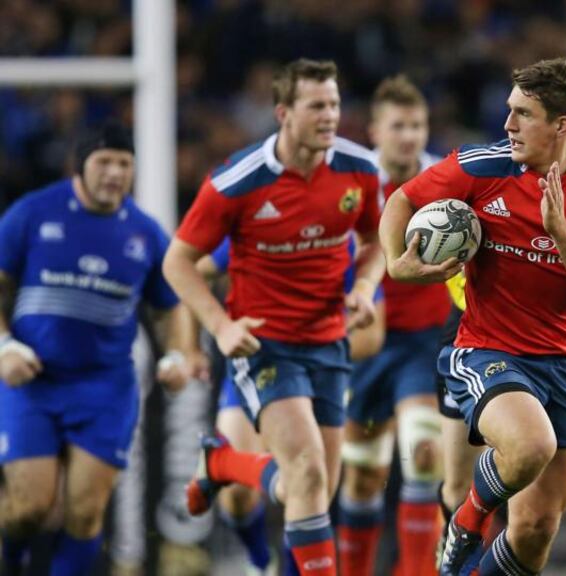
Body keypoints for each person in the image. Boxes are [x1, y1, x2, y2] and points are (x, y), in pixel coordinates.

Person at [380, 57, 566, 576]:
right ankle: (465, 522)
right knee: (527, 447)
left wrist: (561, 231)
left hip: (561, 362)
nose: (508, 125)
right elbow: (403, 201)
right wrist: (398, 264)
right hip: (484, 347)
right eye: (509, 111)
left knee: (535, 530)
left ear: (561, 126)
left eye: (522, 114)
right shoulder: (481, 166)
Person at [162, 58, 384, 576]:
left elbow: (375, 241)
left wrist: (367, 288)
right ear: (284, 112)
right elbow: (177, 262)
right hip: (264, 346)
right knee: (304, 470)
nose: (330, 116)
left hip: (330, 341)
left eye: (334, 104)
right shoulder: (238, 182)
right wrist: (219, 327)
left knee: (313, 491)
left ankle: (222, 462)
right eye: (317, 106)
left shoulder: (359, 169)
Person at [0, 123, 194, 575]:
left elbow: (171, 306)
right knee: (29, 506)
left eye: (124, 164)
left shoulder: (144, 233)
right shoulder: (33, 214)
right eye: (104, 162)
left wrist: (178, 355)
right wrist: (5, 344)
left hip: (104, 388)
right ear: (79, 166)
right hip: (34, 382)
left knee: (85, 514)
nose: (114, 173)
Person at [195, 234, 385, 576]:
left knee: (310, 493)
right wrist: (211, 332)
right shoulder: (255, 210)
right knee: (243, 497)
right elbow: (187, 269)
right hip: (257, 363)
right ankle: (259, 560)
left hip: (318, 375)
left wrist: (322, 340)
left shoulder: (343, 231)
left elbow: (371, 336)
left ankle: (222, 462)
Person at [337, 75, 448, 576]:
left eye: (417, 125)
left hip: (426, 343)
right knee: (363, 476)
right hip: (364, 344)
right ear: (375, 132)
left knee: (425, 454)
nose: (409, 135)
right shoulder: (352, 186)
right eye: (398, 125)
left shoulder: (447, 183)